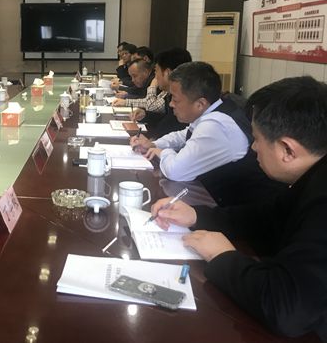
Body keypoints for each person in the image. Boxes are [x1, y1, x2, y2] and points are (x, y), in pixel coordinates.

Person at [150, 76, 327, 340]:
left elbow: (286, 308)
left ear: (288, 150)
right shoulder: (312, 178)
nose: (253, 148)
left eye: (256, 139)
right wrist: (197, 215)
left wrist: (223, 256)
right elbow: (265, 219)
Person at [130, 61, 284, 206]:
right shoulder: (215, 110)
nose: (171, 104)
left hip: (238, 209)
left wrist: (162, 152)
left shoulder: (217, 125)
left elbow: (175, 171)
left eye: (175, 100)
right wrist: (153, 144)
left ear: (200, 104)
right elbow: (185, 134)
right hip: (215, 196)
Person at [131, 47, 191, 138]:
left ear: (167, 73)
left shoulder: (183, 99)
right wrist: (145, 115)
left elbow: (170, 127)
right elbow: (165, 119)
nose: (155, 76)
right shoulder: (171, 94)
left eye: (156, 71)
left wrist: (150, 140)